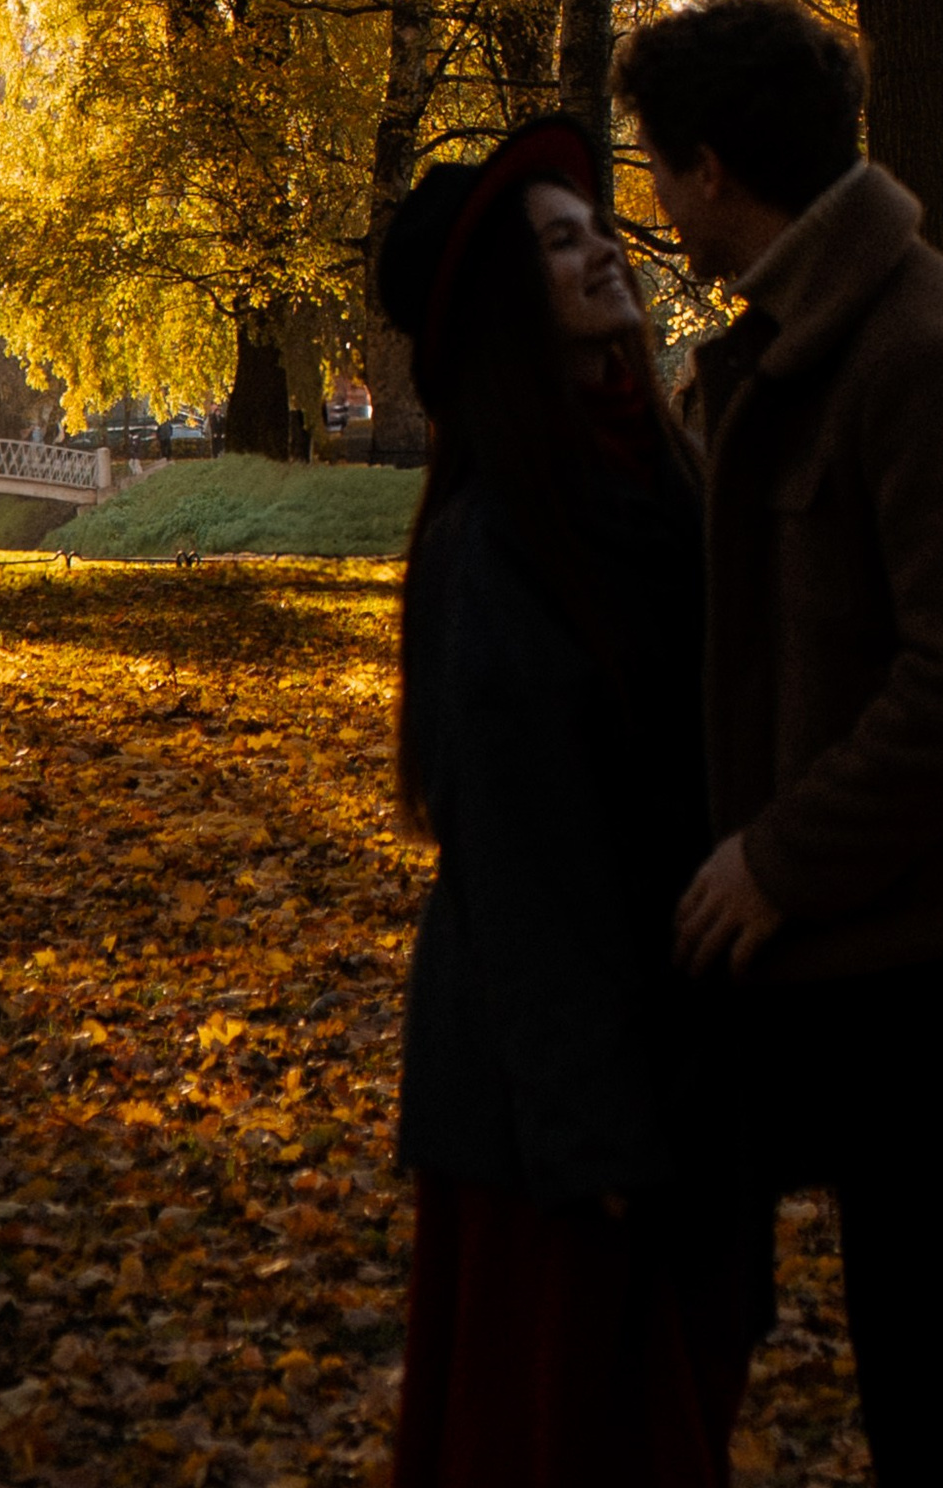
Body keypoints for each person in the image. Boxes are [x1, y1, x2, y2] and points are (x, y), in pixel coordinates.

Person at [612, 0, 943, 1488]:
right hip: (908, 942)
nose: (652, 198)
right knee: (932, 1369)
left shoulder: (918, 358)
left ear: (712, 170)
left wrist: (779, 861)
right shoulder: (812, 340)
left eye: (657, 167)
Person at [380, 111, 765, 1488]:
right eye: (560, 240)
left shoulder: (658, 471)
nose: (604, 245)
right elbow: (523, 862)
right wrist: (594, 1134)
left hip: (678, 1074)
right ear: (500, 306)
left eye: (595, 223)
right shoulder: (499, 541)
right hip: (559, 1125)